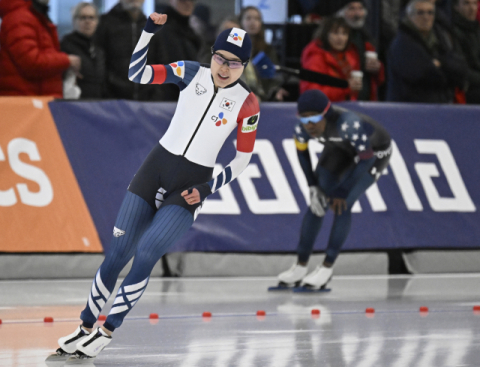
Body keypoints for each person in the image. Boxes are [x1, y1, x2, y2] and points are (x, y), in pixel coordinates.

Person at [48, 12, 259, 360]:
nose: (224, 68)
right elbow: (137, 74)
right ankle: (84, 325)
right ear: (211, 54)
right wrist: (148, 32)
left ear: (244, 66)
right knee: (116, 255)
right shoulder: (192, 72)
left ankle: (106, 330)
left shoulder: (248, 104)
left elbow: (242, 159)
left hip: (191, 186)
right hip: (155, 170)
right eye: (220, 58)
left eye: (235, 64)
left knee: (145, 254)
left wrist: (207, 190)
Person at [276, 89, 391, 291]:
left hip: (374, 152)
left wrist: (343, 190)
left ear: (327, 114)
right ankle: (300, 266)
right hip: (339, 148)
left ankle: (327, 267)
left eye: (315, 118)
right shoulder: (301, 128)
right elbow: (302, 155)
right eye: (304, 119)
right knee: (317, 203)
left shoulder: (348, 123)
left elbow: (367, 158)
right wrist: (312, 185)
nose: (310, 125)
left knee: (342, 205)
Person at [387, 0, 467, 103]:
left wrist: (440, 63)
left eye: (430, 12)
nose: (426, 17)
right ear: (409, 16)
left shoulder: (440, 38)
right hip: (409, 111)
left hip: (439, 108)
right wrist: (447, 73)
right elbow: (422, 75)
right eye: (420, 12)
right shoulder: (401, 43)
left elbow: (461, 68)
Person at [0, 0, 81, 98]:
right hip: (27, 102)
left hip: (34, 100)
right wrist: (66, 60)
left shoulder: (35, 15)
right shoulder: (20, 18)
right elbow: (31, 62)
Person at [95, 0, 159, 100]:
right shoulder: (105, 23)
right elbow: (98, 61)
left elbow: (156, 61)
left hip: (145, 99)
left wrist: (154, 92)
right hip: (113, 99)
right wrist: (105, 90)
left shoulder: (150, 26)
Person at [300, 17, 365, 101]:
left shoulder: (350, 55)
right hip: (324, 109)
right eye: (335, 33)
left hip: (347, 106)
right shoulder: (315, 56)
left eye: (344, 33)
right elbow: (312, 93)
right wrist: (346, 87)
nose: (340, 38)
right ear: (325, 35)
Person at [152, 0, 202, 101]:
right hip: (168, 101)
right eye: (182, 0)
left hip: (188, 98)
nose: (188, 3)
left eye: (192, 1)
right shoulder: (162, 30)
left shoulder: (193, 33)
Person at [336, 1, 384, 101]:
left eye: (360, 8)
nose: (357, 14)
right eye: (352, 9)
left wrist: (378, 69)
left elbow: (379, 80)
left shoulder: (366, 37)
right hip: (342, 102)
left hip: (366, 101)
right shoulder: (332, 40)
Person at [239, 6, 288, 101]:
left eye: (257, 19)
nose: (252, 22)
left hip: (263, 98)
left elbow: (274, 75)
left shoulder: (268, 49)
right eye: (248, 18)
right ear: (240, 22)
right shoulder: (233, 48)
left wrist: (275, 90)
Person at [61, 2, 105, 99]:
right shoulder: (65, 46)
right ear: (74, 21)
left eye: (91, 18)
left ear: (97, 22)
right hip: (75, 104)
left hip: (97, 104)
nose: (87, 21)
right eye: (83, 18)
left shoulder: (99, 49)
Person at [452, 0, 480, 103]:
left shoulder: (476, 29)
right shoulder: (453, 32)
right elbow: (462, 71)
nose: (472, 8)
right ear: (456, 7)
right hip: (467, 89)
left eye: (474, 3)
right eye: (466, 3)